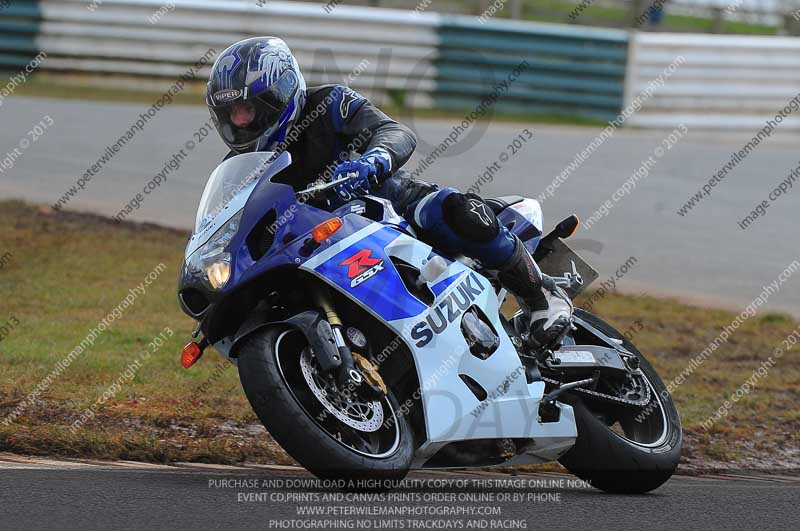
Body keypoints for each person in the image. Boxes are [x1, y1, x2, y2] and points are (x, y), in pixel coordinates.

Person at [205, 37, 572, 350]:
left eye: (248, 108)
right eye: (231, 112)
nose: (240, 121)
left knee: (453, 210)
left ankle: (541, 297)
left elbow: (394, 132)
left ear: (279, 92)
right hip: (316, 245)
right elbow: (228, 224)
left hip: (393, 207)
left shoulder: (330, 103)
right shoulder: (240, 166)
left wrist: (374, 160)